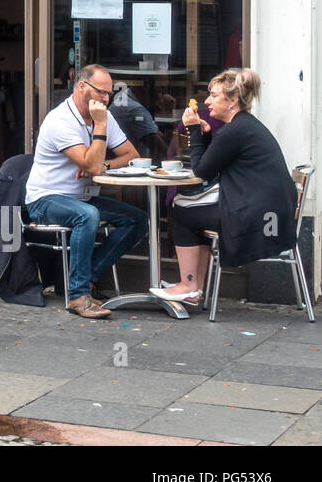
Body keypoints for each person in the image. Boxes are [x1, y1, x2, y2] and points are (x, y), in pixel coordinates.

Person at [157, 68, 297, 305]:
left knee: (181, 210)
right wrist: (207, 137)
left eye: (213, 95)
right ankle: (193, 288)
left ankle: (189, 286)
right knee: (187, 206)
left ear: (233, 101)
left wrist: (193, 131)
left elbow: (202, 171)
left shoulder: (235, 130)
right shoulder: (244, 126)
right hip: (271, 210)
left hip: (258, 217)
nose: (207, 101)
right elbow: (218, 161)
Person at [23, 64, 148, 319]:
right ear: (81, 87)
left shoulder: (102, 115)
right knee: (87, 215)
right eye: (101, 92)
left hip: (81, 197)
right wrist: (100, 129)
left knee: (137, 219)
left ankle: (88, 277)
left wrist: (104, 165)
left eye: (109, 94)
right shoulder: (61, 120)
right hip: (45, 199)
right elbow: (90, 164)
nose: (106, 99)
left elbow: (130, 155)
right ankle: (78, 297)